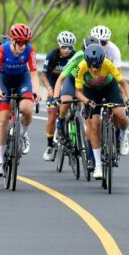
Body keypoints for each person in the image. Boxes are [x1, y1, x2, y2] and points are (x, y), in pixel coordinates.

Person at [74, 44, 129, 180]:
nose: (95, 70)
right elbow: (77, 92)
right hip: (90, 92)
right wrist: (86, 101)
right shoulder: (81, 67)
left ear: (102, 62)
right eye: (92, 67)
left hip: (109, 88)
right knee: (94, 125)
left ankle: (123, 136)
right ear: (87, 63)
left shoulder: (108, 64)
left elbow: (124, 83)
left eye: (98, 66)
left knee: (120, 114)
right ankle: (98, 165)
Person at [0, 23, 40, 176]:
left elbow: (33, 73)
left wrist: (36, 91)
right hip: (4, 80)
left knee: (27, 108)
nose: (23, 45)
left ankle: (23, 135)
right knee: (3, 120)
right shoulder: (2, 50)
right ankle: (0, 162)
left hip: (22, 80)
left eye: (26, 42)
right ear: (13, 41)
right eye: (20, 42)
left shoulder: (30, 50)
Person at [40, 31, 77, 161]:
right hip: (53, 84)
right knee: (51, 116)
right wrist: (49, 88)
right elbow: (44, 74)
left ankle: (72, 128)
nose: (67, 50)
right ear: (58, 45)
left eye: (70, 47)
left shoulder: (75, 56)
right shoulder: (52, 55)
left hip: (68, 85)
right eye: (64, 47)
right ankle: (50, 146)